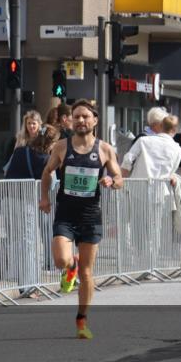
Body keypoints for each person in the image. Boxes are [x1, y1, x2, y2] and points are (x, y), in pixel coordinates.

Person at [39, 100, 124, 340]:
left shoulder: (105, 149)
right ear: (71, 121)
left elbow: (119, 179)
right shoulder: (62, 147)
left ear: (94, 121)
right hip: (66, 213)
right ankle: (70, 267)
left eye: (85, 116)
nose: (81, 120)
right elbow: (47, 172)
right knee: (60, 260)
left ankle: (81, 320)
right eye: (76, 116)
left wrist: (111, 182)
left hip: (90, 215)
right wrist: (44, 198)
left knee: (87, 272)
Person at [121, 109, 181, 181]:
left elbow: (128, 159)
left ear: (161, 125)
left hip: (137, 187)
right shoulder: (178, 149)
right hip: (161, 189)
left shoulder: (143, 140)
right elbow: (172, 171)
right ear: (175, 130)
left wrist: (122, 178)